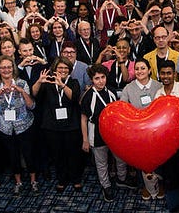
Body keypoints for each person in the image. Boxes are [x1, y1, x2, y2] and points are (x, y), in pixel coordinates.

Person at [80, 65, 133, 202]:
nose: (100, 81)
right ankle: (106, 186)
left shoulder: (112, 92)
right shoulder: (88, 96)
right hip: (96, 133)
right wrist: (85, 139)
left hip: (114, 132)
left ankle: (122, 178)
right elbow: (84, 118)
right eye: (96, 78)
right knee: (101, 162)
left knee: (120, 158)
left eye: (102, 77)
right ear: (92, 80)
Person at [31, 58, 84, 192]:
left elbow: (74, 97)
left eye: (66, 68)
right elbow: (34, 94)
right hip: (52, 126)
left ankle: (76, 178)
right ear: (55, 69)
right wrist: (39, 81)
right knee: (57, 154)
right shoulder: (48, 83)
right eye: (60, 68)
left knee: (73, 154)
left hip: (71, 125)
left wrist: (62, 85)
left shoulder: (73, 82)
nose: (63, 70)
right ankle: (62, 179)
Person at [0, 56, 37, 195]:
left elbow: (32, 106)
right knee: (13, 156)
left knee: (29, 154)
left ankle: (33, 181)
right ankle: (18, 182)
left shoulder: (22, 83)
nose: (6, 70)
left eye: (9, 67)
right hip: (5, 128)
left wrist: (22, 92)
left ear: (13, 68)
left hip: (24, 125)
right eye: (3, 67)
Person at [118, 58, 164, 200]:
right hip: (137, 132)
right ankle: (145, 185)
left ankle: (158, 184)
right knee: (141, 159)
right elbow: (122, 109)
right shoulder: (128, 88)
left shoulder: (159, 86)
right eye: (137, 69)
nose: (139, 71)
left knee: (158, 158)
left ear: (149, 70)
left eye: (143, 68)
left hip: (157, 131)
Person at [154, 60, 179, 212]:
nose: (166, 76)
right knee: (169, 172)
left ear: (174, 74)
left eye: (169, 73)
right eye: (163, 73)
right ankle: (173, 202)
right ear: (159, 75)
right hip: (166, 140)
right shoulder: (158, 93)